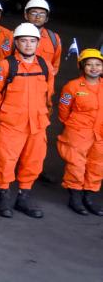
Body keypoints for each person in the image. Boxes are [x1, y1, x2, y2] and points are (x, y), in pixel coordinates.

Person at [0, 23, 53, 219]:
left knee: (33, 162)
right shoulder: (5, 65)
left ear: (37, 43)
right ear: (17, 43)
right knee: (6, 161)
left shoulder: (45, 66)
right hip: (11, 124)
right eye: (24, 41)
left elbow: (49, 93)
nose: (28, 45)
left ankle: (23, 198)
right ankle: (4, 199)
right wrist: (6, 112)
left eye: (32, 41)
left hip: (37, 124)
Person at [57, 48, 103, 216]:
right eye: (89, 64)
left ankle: (88, 196)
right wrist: (72, 125)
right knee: (76, 164)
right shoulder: (72, 86)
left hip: (100, 133)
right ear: (82, 67)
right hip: (78, 132)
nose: (94, 68)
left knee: (97, 165)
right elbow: (63, 109)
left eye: (98, 64)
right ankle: (75, 196)